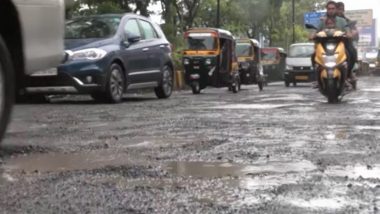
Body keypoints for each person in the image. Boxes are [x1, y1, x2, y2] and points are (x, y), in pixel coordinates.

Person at [337, 1, 359, 80]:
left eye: (341, 9)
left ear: (343, 10)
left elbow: (353, 29)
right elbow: (319, 27)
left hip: (344, 42)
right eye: (338, 9)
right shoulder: (327, 18)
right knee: (315, 53)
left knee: (353, 52)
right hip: (329, 42)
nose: (340, 11)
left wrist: (352, 32)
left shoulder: (346, 20)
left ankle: (349, 72)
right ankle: (317, 75)